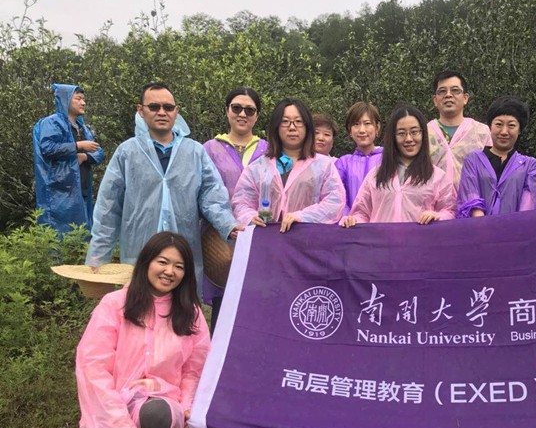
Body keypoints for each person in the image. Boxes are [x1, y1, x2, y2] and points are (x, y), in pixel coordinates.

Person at [75, 232, 211, 428]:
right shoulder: (115, 304)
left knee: (158, 413)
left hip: (165, 403)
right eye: (163, 262)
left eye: (179, 266)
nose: (170, 271)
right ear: (146, 262)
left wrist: (186, 404)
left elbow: (195, 368)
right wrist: (118, 421)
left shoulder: (190, 313)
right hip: (115, 402)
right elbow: (93, 367)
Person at [86, 82, 241, 294]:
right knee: (138, 306)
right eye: (154, 107)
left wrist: (228, 225)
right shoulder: (127, 153)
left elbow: (212, 197)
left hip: (182, 253)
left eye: (168, 107)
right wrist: (98, 256)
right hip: (139, 250)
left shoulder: (194, 152)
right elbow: (108, 208)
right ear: (141, 111)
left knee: (181, 308)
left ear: (176, 111)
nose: (162, 112)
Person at [203, 87, 268, 328]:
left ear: (257, 115)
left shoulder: (269, 149)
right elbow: (203, 192)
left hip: (259, 235)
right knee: (224, 304)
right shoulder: (209, 149)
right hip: (220, 238)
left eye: (249, 110)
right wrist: (226, 225)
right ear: (227, 110)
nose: (242, 114)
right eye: (237, 108)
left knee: (258, 300)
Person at [232, 98, 345, 233]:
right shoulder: (258, 167)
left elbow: (334, 202)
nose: (292, 127)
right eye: (285, 121)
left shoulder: (323, 165)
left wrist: (302, 216)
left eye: (298, 121)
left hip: (308, 239)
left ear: (307, 126)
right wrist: (250, 216)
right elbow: (241, 202)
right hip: (266, 239)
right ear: (276, 127)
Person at [341, 105, 455, 226]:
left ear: (423, 134)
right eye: (401, 133)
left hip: (420, 238)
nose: (408, 139)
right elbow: (361, 213)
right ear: (393, 137)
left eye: (414, 132)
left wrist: (437, 216)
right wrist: (353, 220)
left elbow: (450, 211)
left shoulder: (437, 177)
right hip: (381, 238)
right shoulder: (375, 176)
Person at [33, 84, 104, 235]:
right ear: (65, 100)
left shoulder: (82, 128)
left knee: (81, 236)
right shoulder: (52, 122)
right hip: (59, 192)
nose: (83, 103)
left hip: (81, 189)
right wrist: (78, 146)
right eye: (78, 99)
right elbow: (48, 148)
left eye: (84, 99)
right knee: (59, 237)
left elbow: (99, 152)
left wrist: (85, 156)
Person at [457, 96, 536, 217]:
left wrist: (513, 227)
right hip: (479, 227)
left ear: (519, 130)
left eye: (511, 125)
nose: (504, 131)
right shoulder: (473, 160)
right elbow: (470, 196)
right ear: (490, 126)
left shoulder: (529, 166)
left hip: (517, 228)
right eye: (498, 124)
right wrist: (482, 224)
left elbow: (529, 207)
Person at [427, 70, 491, 192]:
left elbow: (491, 173)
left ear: (465, 98)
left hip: (473, 201)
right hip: (434, 202)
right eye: (442, 91)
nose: (448, 95)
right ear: (435, 100)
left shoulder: (482, 132)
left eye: (455, 90)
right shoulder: (424, 133)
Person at [335, 102, 383, 214]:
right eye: (356, 124)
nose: (362, 130)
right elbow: (337, 197)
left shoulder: (390, 159)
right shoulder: (343, 163)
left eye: (367, 123)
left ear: (377, 128)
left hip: (383, 222)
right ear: (350, 130)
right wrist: (348, 218)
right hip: (352, 223)